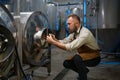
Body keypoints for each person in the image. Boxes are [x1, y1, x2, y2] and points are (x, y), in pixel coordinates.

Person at [46, 14, 101, 80]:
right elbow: (64, 41)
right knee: (66, 63)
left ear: (76, 24)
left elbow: (69, 47)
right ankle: (83, 71)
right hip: (85, 55)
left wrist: (52, 42)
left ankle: (83, 78)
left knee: (77, 58)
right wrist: (55, 39)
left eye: (69, 24)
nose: (68, 26)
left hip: (94, 57)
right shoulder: (74, 33)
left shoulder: (84, 33)